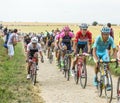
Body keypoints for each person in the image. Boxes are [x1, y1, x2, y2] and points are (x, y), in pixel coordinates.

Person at [93, 26, 117, 90]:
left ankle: (108, 83)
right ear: (102, 34)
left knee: (107, 66)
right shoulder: (98, 38)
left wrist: (114, 58)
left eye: (107, 34)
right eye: (104, 34)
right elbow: (94, 50)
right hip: (97, 52)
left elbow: (114, 49)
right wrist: (96, 59)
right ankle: (95, 77)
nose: (106, 36)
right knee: (97, 64)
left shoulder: (110, 39)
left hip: (104, 53)